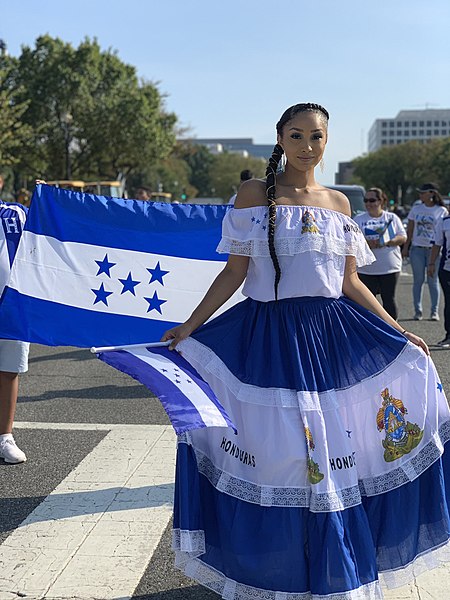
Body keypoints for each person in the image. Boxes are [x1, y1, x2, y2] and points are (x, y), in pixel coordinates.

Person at [161, 103, 449, 599]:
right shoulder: (253, 195)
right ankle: (280, 569)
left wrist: (398, 331)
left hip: (328, 337)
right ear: (280, 137)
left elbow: (350, 283)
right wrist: (190, 325)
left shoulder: (338, 203)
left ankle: (332, 569)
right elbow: (234, 272)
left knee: (334, 457)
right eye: (297, 135)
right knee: (282, 457)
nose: (307, 146)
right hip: (265, 339)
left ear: (326, 142)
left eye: (316, 137)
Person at [0, 199, 29, 463]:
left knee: (8, 370)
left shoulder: (15, 213)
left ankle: (4, 436)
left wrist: (46, 202)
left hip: (10, 305)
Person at [354, 187, 407, 319]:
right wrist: (366, 242)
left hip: (389, 268)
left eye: (372, 200)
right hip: (366, 269)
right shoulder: (358, 219)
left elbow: (402, 237)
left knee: (388, 300)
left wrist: (388, 242)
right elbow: (352, 239)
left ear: (381, 201)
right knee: (366, 303)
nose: (368, 204)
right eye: (366, 200)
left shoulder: (391, 218)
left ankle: (393, 332)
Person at [402, 183, 448, 320]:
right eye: (420, 193)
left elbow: (443, 233)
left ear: (431, 193)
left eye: (423, 193)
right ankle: (418, 311)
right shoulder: (416, 209)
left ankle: (434, 312)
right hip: (417, 249)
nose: (420, 195)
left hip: (434, 250)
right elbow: (410, 230)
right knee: (418, 280)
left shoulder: (441, 210)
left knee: (433, 281)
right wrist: (406, 247)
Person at [428, 211, 450, 347]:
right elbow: (437, 244)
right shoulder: (444, 221)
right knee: (449, 302)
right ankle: (449, 336)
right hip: (447, 269)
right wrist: (431, 263)